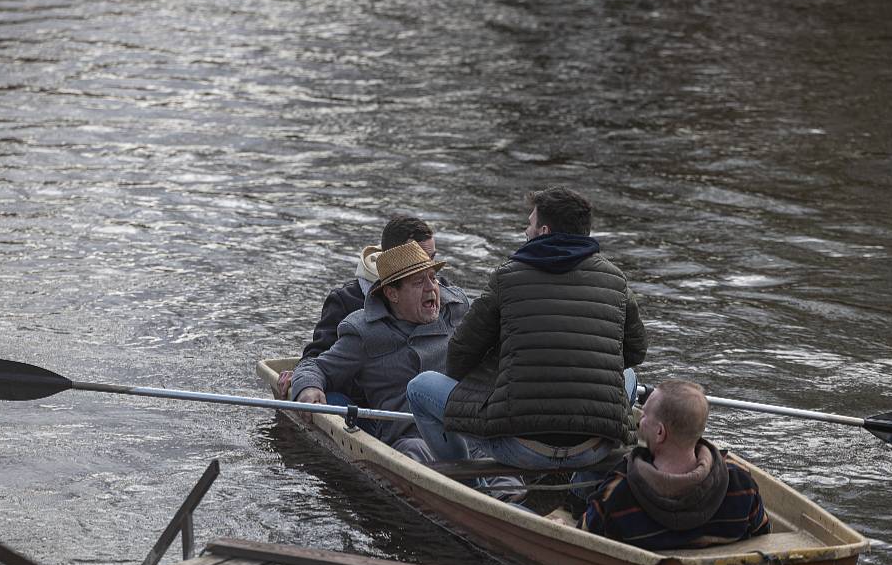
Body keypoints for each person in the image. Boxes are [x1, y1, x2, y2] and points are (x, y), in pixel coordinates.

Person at [407, 185, 648, 480]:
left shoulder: (507, 276)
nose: (525, 230)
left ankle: (469, 485)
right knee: (629, 377)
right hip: (593, 447)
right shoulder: (617, 280)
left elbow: (458, 356)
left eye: (530, 223)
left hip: (521, 447)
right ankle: (581, 495)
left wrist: (494, 377)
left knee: (419, 388)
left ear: (543, 231)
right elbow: (636, 351)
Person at [289, 240, 470, 462]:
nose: (431, 288)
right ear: (393, 294)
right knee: (414, 455)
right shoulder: (365, 332)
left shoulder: (457, 308)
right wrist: (307, 386)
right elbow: (316, 366)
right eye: (418, 282)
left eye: (433, 278)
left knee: (505, 478)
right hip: (413, 437)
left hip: (469, 429)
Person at [579, 380, 771, 549]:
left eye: (644, 415)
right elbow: (763, 533)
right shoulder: (741, 483)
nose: (640, 421)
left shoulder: (619, 490)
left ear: (660, 433)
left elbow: (584, 533)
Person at [277, 216, 441, 400]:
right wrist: (305, 379)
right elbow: (318, 358)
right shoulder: (346, 301)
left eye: (432, 259)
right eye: (418, 261)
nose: (429, 268)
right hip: (367, 401)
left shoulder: (443, 295)